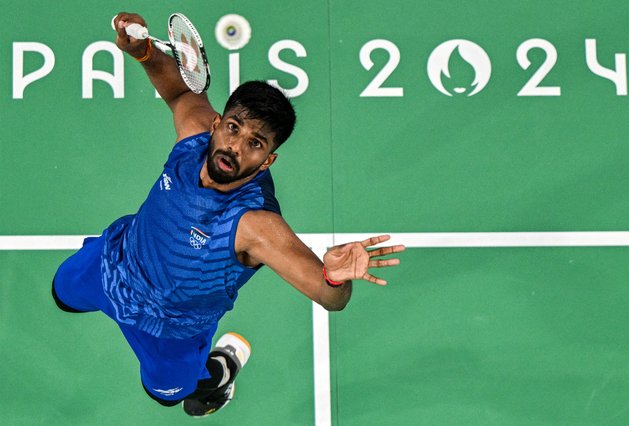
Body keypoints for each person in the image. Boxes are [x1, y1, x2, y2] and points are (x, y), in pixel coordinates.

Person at [51, 12, 405, 417]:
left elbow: (328, 297)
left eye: (254, 143)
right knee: (61, 295)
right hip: (114, 261)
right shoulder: (195, 138)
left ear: (268, 159)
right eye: (233, 128)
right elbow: (181, 95)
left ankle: (218, 372)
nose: (235, 147)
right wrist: (144, 51)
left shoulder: (255, 225)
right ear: (217, 123)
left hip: (169, 327)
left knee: (171, 396)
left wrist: (334, 278)